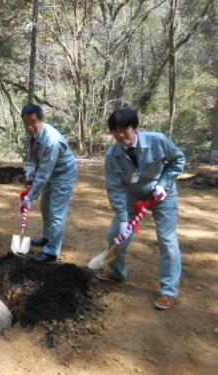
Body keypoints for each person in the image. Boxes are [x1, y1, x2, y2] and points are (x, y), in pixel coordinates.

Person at [100, 108, 185, 310]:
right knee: (114, 235)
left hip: (163, 195)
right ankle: (118, 273)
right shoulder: (112, 156)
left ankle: (168, 291)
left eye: (124, 130)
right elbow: (115, 188)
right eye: (115, 131)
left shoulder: (158, 140)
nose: (120, 136)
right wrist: (122, 219)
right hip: (132, 196)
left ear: (135, 128)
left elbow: (178, 160)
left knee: (167, 239)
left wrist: (163, 184)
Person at [20, 104, 78, 262]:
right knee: (45, 207)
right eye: (26, 123)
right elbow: (34, 155)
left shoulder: (51, 141)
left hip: (63, 174)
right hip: (49, 171)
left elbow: (43, 175)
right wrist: (31, 170)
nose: (30, 127)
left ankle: (52, 251)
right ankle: (47, 238)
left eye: (33, 122)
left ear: (41, 120)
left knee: (56, 212)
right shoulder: (33, 134)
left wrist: (29, 198)